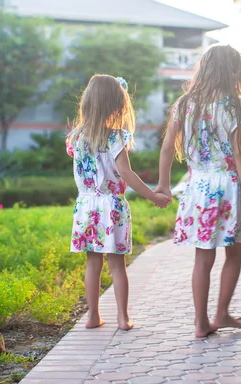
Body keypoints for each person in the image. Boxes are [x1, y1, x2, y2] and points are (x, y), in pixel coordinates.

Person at [156, 45, 241, 337]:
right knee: (234, 253)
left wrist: (163, 184)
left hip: (197, 186)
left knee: (202, 258)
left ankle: (201, 323)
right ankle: (221, 313)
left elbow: (167, 148)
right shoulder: (236, 105)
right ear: (235, 72)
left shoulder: (184, 104)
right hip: (227, 186)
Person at [66, 74, 171, 331]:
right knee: (117, 266)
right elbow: (126, 173)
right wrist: (153, 196)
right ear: (115, 105)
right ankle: (123, 318)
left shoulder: (75, 137)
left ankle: (93, 317)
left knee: (93, 263)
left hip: (86, 206)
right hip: (111, 206)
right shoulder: (115, 137)